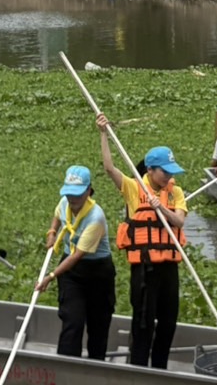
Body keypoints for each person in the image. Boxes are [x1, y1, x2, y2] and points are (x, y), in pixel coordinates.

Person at [96, 113, 187, 369]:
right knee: (143, 321)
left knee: (168, 322)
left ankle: (160, 368)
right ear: (150, 170)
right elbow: (109, 168)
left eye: (171, 172)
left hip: (169, 268)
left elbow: (179, 222)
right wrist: (104, 134)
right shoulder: (135, 188)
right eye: (164, 172)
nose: (169, 177)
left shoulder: (176, 192)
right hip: (144, 269)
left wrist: (163, 210)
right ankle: (138, 368)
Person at [36, 164, 116, 360]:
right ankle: (66, 366)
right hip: (72, 275)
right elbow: (57, 216)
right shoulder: (65, 202)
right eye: (69, 194)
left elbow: (77, 255)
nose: (73, 200)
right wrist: (52, 232)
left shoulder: (96, 218)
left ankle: (95, 367)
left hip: (98, 272)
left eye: (78, 195)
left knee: (98, 325)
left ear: (88, 191)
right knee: (73, 321)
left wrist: (51, 276)